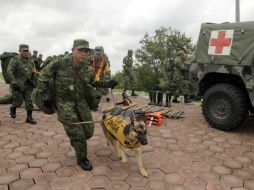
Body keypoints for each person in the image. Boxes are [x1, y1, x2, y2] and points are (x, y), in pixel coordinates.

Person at [34, 39, 118, 171]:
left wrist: (107, 84)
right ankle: (82, 159)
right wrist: (45, 97)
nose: (83, 54)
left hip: (81, 102)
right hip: (64, 103)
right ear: (73, 50)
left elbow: (93, 83)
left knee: (89, 132)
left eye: (86, 51)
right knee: (78, 134)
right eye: (80, 50)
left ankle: (75, 140)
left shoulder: (88, 70)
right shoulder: (59, 63)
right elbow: (42, 77)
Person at [7, 44, 37, 124]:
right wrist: (14, 83)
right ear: (20, 51)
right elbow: (9, 71)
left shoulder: (31, 60)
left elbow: (34, 71)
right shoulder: (15, 60)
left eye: (27, 50)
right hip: (17, 85)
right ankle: (13, 107)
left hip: (28, 85)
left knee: (29, 101)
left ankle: (29, 117)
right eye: (24, 51)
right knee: (18, 101)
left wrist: (34, 81)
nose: (26, 52)